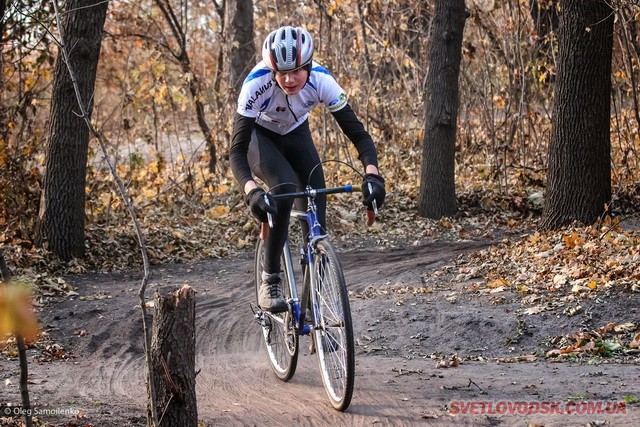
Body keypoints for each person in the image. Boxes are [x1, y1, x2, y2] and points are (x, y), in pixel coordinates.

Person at [230, 25, 385, 313]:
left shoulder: (323, 82)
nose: (288, 79)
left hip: (297, 134)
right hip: (260, 138)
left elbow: (359, 135)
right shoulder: (255, 85)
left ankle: (316, 294)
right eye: (281, 72)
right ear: (271, 69)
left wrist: (373, 174)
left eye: (297, 70)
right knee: (285, 190)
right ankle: (270, 278)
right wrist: (251, 191)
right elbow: (236, 152)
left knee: (315, 207)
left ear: (310, 65)